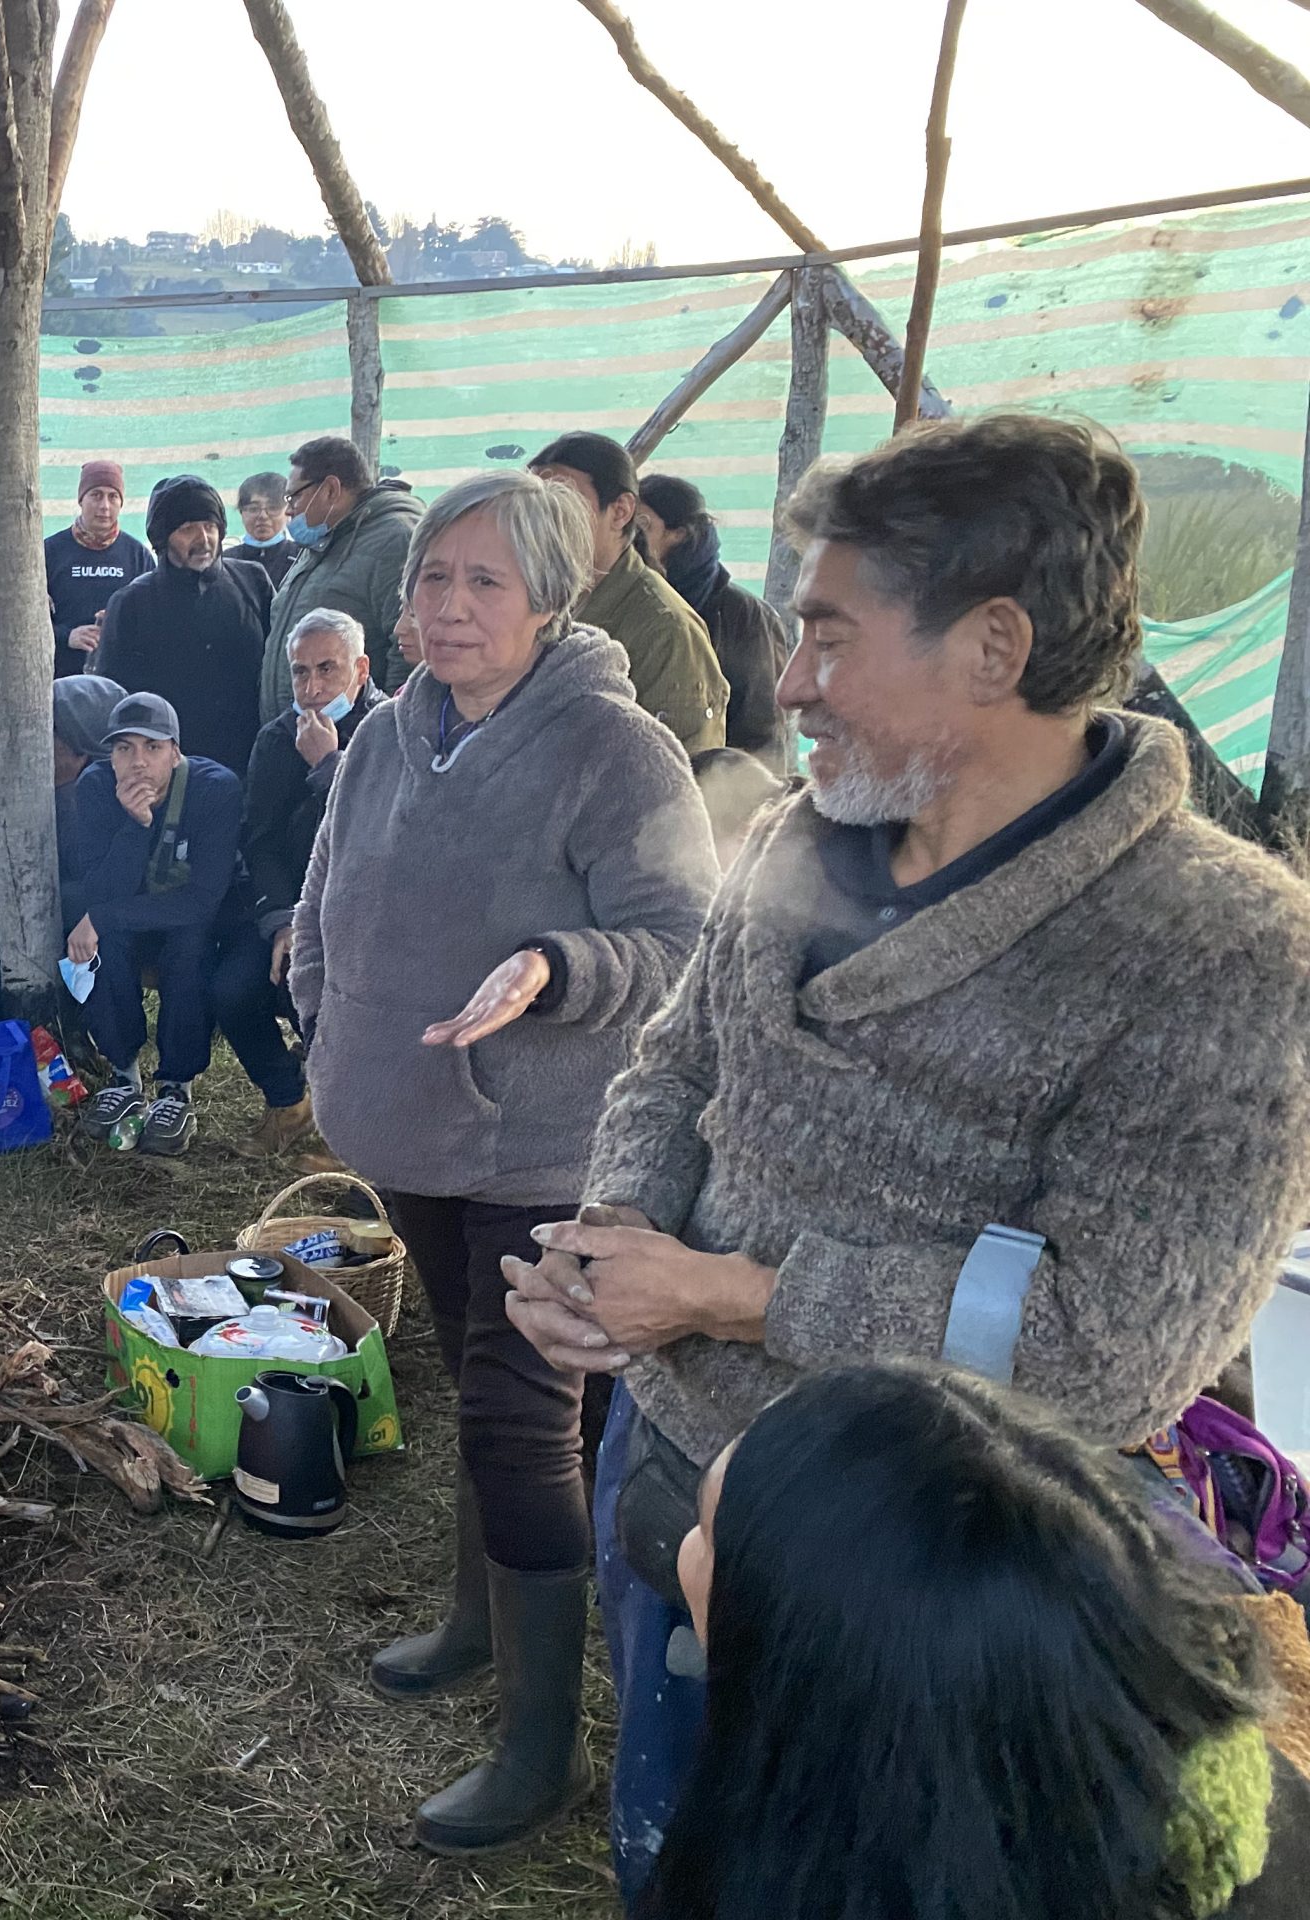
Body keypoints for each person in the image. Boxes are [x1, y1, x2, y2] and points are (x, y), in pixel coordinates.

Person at [498, 414, 1310, 1901]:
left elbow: (1115, 1347)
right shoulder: (808, 828)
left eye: (827, 633)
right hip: (672, 1456)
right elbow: (679, 1055)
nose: (788, 680)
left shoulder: (1223, 946)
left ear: (993, 649)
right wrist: (611, 1240)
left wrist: (730, 1294)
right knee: (681, 1826)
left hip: (918, 1581)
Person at [295, 469, 718, 1855]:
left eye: (484, 582)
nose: (450, 607)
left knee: (518, 1413)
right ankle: (474, 1627)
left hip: (543, 1142)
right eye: (431, 580)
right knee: (471, 1362)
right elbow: (327, 880)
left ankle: (538, 1746)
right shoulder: (388, 735)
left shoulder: (615, 746)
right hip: (408, 1125)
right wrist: (313, 991)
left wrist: (559, 965)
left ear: (549, 596)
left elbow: (683, 943)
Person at [648, 1363, 1310, 1920]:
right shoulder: (1211, 1795)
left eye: (711, 1534)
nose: (686, 1545)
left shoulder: (816, 1871)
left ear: (823, 1673)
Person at [229, 608, 386, 1157]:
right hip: (291, 909)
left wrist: (330, 765)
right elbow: (260, 840)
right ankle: (288, 1099)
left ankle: (348, 1127)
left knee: (336, 995)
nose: (313, 688)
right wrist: (281, 921)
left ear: (360, 670)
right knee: (230, 987)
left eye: (327, 670)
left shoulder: (387, 730)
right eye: (300, 673)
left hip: (366, 912)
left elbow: (380, 834)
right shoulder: (276, 738)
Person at [67, 692, 248, 1157]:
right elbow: (99, 890)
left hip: (189, 918)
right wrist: (135, 826)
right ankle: (123, 1072)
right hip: (131, 916)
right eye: (124, 749)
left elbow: (203, 901)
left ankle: (175, 1085)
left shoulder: (214, 789)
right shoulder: (94, 788)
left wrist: (102, 916)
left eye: (152, 747)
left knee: (190, 945)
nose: (138, 762)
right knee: (103, 943)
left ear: (175, 751)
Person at [526, 432, 728, 756]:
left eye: (562, 502)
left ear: (620, 511)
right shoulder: (532, 601)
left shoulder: (667, 629)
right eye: (533, 505)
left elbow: (688, 777)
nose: (539, 523)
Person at [0, 672, 123, 1016]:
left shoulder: (108, 773)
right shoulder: (22, 740)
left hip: (80, 878)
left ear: (80, 754)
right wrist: (4, 862)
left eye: (52, 739)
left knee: (74, 921)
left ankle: (67, 1024)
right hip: (4, 864)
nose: (39, 744)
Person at [94, 474, 271, 783]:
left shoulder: (252, 582)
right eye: (188, 529)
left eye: (210, 526)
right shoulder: (131, 604)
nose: (203, 539)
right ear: (163, 538)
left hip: (252, 765)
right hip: (173, 777)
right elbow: (116, 702)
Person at [636, 472, 790, 771]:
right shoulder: (634, 605)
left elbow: (761, 727)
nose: (631, 538)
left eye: (643, 526)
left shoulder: (743, 615)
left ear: (679, 533)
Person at [258, 434, 422, 714]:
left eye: (295, 496)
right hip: (299, 733)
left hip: (353, 740)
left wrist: (387, 730)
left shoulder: (395, 540)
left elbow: (408, 652)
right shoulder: (321, 540)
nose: (289, 509)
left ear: (331, 489)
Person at [45, 459, 151, 674]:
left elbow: (154, 620)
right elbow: (26, 623)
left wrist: (118, 625)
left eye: (113, 497)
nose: (104, 506)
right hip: (62, 677)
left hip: (120, 676)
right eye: (96, 495)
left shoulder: (137, 555)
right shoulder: (49, 552)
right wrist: (68, 636)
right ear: (81, 500)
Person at [230, 470, 297, 593]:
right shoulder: (227, 561)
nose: (263, 516)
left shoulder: (300, 558)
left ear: (288, 511)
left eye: (273, 508)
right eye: (253, 509)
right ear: (241, 512)